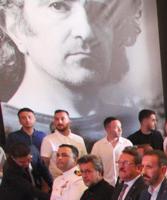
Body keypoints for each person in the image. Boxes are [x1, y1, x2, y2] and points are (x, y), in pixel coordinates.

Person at [0, 0, 142, 144]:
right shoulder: (7, 132)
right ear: (15, 28)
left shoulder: (136, 123)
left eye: (102, 11)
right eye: (58, 6)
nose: (86, 32)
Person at [6, 108, 51, 188]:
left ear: (34, 119)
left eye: (29, 117)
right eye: (23, 118)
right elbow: (10, 156)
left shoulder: (42, 135)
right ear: (19, 121)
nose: (27, 120)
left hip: (41, 172)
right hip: (21, 175)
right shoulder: (13, 136)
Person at [40, 110, 87, 177]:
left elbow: (84, 160)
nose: (59, 122)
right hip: (57, 178)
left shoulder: (79, 139)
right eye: (56, 119)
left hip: (78, 177)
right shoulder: (48, 140)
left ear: (69, 121)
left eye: (62, 119)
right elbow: (45, 163)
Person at [90, 117, 133, 186]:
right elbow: (93, 166)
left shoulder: (127, 143)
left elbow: (133, 162)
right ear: (107, 129)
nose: (120, 130)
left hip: (124, 183)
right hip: (106, 184)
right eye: (117, 127)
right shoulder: (98, 146)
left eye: (120, 127)